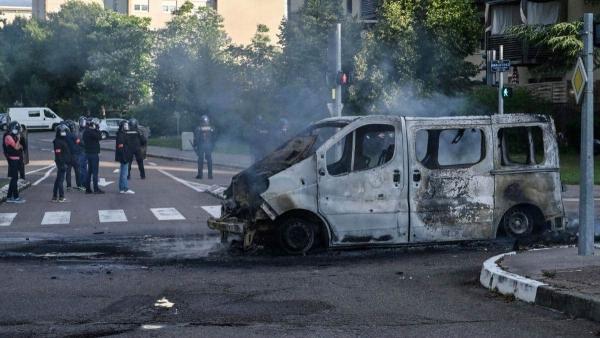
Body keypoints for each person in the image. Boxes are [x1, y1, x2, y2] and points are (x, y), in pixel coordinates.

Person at [3, 121, 25, 203]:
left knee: (14, 178)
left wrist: (18, 143)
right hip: (12, 160)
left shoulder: (13, 136)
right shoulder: (8, 137)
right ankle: (15, 197)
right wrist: (18, 139)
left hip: (16, 159)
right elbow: (16, 147)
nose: (17, 131)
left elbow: (20, 147)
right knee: (14, 178)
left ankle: (9, 197)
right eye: (16, 129)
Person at [83, 118, 104, 194]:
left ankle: (88, 189)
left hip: (88, 153)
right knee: (95, 172)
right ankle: (96, 189)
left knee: (89, 172)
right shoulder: (92, 132)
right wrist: (97, 129)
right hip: (94, 154)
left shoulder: (86, 131)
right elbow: (100, 137)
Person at [52, 124, 71, 202]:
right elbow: (58, 154)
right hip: (61, 163)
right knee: (60, 180)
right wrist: (62, 164)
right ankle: (61, 197)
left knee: (58, 179)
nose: (65, 133)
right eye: (63, 132)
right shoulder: (58, 142)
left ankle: (54, 196)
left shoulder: (61, 140)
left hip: (62, 162)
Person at [193, 115, 215, 179]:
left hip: (201, 145)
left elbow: (196, 138)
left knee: (200, 160)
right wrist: (212, 145)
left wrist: (195, 145)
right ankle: (210, 175)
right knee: (209, 160)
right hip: (209, 145)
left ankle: (200, 175)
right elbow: (214, 137)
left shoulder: (198, 128)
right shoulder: (211, 128)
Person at [64, 120, 84, 191]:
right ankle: (79, 185)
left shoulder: (64, 135)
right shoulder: (73, 135)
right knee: (77, 171)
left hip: (67, 156)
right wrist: (83, 145)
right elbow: (79, 142)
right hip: (74, 155)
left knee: (68, 172)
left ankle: (68, 186)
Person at [116, 120, 134, 194]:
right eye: (125, 125)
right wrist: (124, 157)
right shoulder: (121, 135)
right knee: (124, 173)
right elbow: (120, 147)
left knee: (123, 173)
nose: (127, 126)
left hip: (125, 156)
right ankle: (125, 188)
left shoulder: (123, 134)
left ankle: (121, 188)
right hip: (124, 157)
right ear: (122, 126)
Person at [77, 116, 88, 186]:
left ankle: (84, 183)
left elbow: (86, 142)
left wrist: (79, 142)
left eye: (83, 122)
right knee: (82, 168)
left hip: (83, 151)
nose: (82, 123)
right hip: (79, 151)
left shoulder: (86, 131)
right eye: (81, 122)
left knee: (82, 168)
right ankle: (82, 183)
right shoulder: (79, 130)